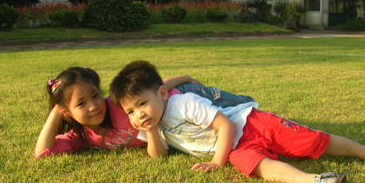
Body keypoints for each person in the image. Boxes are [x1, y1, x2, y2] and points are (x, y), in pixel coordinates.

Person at [109, 60, 365, 183]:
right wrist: (154, 131)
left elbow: (224, 126)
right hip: (237, 148)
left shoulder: (182, 103)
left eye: (143, 104)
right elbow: (157, 156)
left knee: (311, 141)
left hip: (249, 123)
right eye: (131, 111)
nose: (138, 115)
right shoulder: (153, 123)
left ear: (162, 93)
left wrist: (215, 162)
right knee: (257, 167)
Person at [34, 66, 254, 158]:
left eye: (95, 95)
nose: (93, 106)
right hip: (181, 122)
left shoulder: (118, 105)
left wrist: (185, 79)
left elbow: (152, 89)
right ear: (67, 112)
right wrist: (55, 114)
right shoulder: (82, 137)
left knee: (243, 107)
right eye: (80, 104)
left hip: (183, 97)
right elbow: (42, 153)